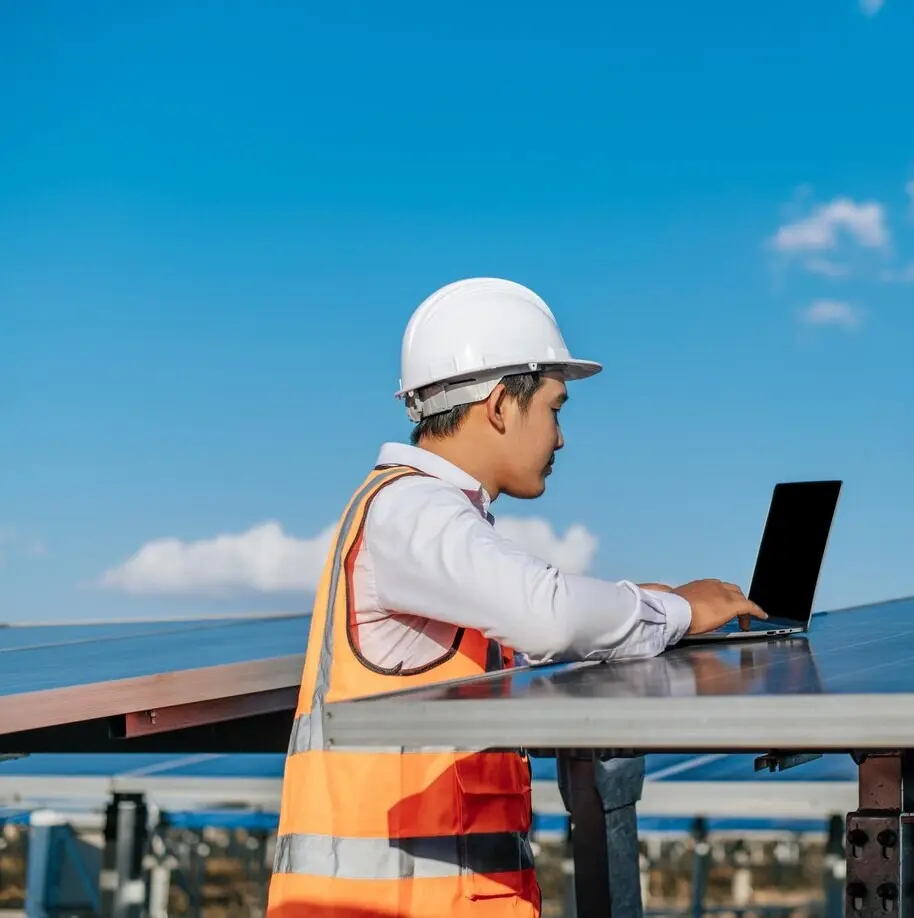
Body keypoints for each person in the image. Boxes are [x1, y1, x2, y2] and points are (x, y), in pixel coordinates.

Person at [265, 277, 766, 918]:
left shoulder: (422, 518)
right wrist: (679, 612)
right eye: (556, 409)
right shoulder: (411, 508)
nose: (560, 438)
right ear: (502, 404)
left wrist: (639, 605)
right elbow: (548, 613)